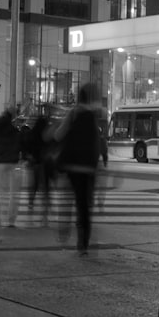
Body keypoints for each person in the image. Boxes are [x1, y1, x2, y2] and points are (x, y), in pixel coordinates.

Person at [54, 83, 102, 256]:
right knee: (84, 206)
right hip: (88, 169)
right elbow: (97, 144)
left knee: (66, 200)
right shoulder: (93, 116)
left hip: (71, 167)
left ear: (78, 97)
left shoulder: (73, 113)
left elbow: (58, 134)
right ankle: (83, 244)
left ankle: (64, 231)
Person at [21, 115, 56, 224]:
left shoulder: (32, 134)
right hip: (45, 165)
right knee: (45, 188)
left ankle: (31, 204)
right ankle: (45, 213)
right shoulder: (46, 135)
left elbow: (26, 147)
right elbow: (52, 148)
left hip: (35, 164)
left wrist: (28, 157)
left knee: (34, 186)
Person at [0, 106, 22, 227]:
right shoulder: (15, 131)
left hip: (0, 162)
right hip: (13, 162)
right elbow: (20, 145)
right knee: (14, 192)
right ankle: (11, 220)